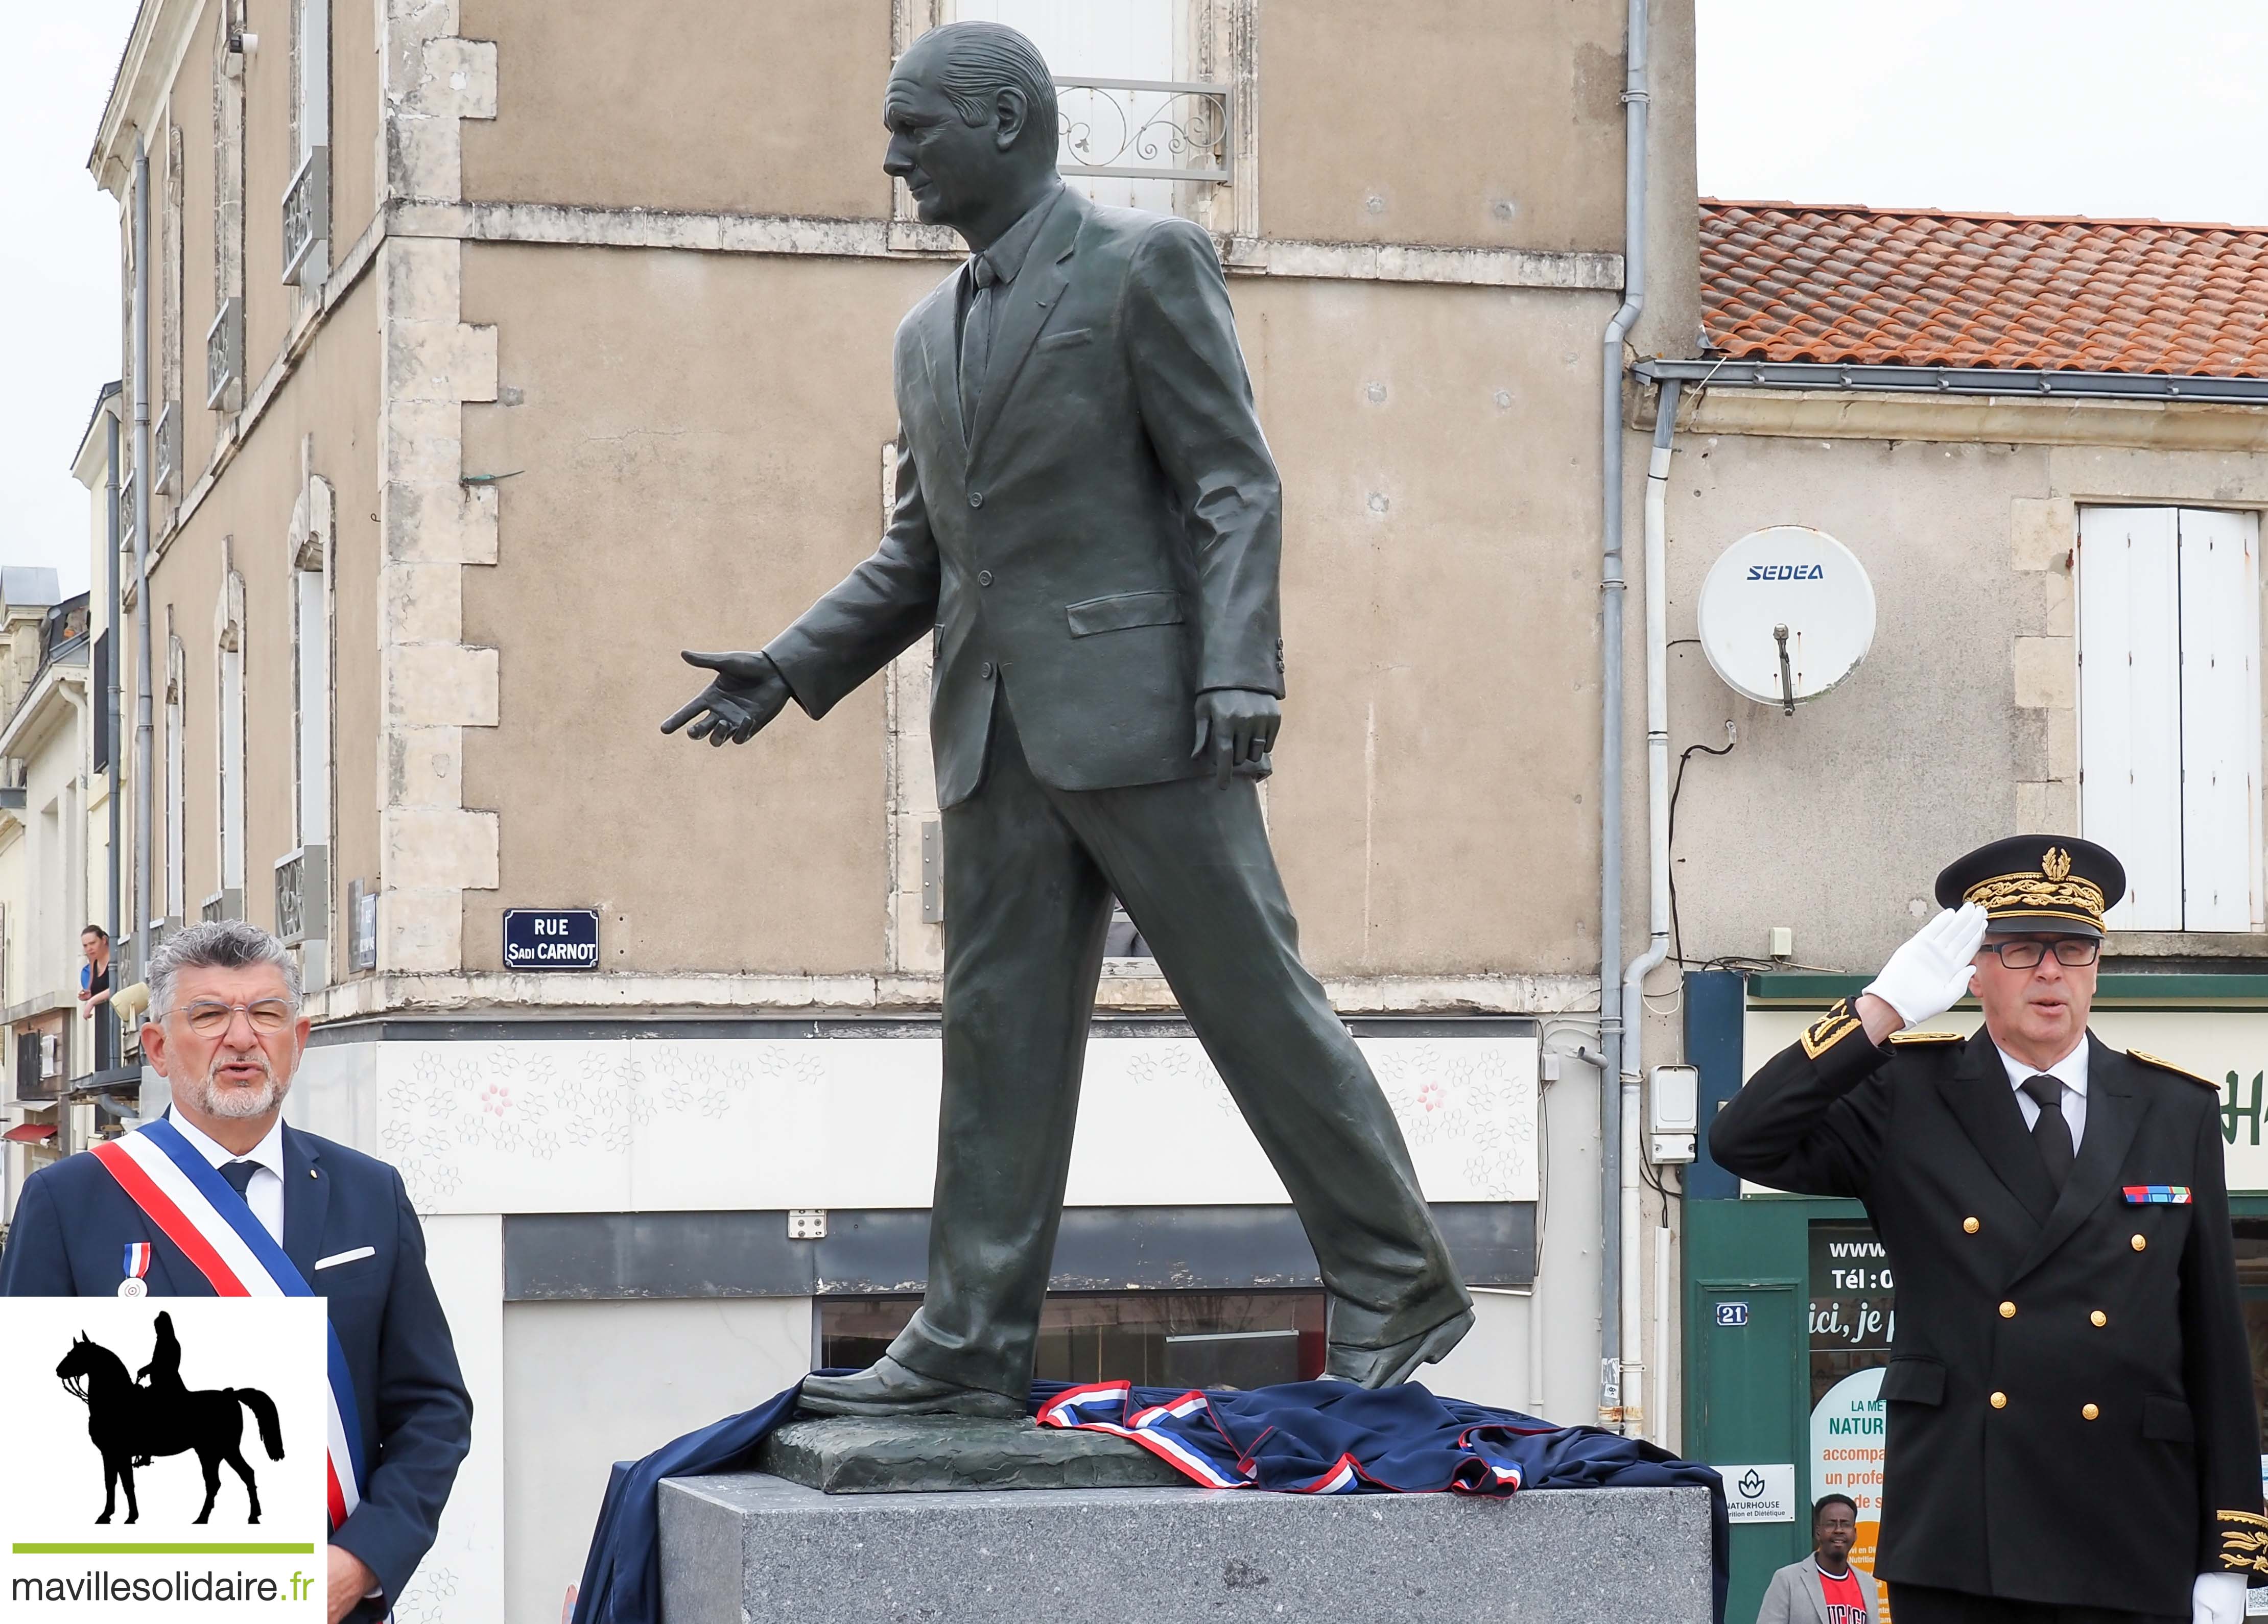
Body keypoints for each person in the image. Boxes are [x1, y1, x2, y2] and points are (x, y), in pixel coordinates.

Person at [660, 20, 1471, 1415]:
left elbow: (1233, 483)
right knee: (999, 1033)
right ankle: (971, 1335)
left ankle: (1398, 1278)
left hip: (1154, 710)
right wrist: (793, 665)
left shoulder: (1144, 265)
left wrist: (1240, 669)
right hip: (994, 729)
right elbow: (923, 552)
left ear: (1011, 124)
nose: (892, 154)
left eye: (916, 127)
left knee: (1249, 999)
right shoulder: (925, 334)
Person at [1711, 837, 2261, 1624]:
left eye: (2073, 949)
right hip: (1966, 1536)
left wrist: (2227, 1555)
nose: (2051, 972)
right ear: (1972, 969)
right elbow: (1742, 1141)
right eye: (2022, 950)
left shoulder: (2174, 1108)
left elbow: (2214, 1339)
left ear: (2097, 967)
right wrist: (1881, 1010)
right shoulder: (1907, 1093)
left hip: (2137, 1529)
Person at [0, 921, 471, 1624]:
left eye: (267, 1014)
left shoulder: (371, 1193)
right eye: (211, 1014)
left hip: (329, 1607)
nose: (243, 1038)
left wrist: (362, 1561)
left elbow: (432, 1409)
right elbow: (23, 1427)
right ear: (157, 1047)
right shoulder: (69, 1200)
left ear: (299, 1040)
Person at [1757, 1496, 1879, 1624]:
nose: (1839, 1530)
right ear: (1818, 1532)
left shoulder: (1867, 1584)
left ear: (1854, 1534)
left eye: (1846, 1524)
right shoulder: (1788, 1580)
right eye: (1831, 1524)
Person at [79, 924, 113, 1068]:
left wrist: (92, 1001)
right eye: (85, 946)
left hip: (116, 1020)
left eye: (93, 943)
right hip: (103, 1021)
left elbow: (119, 987)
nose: (89, 949)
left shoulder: (116, 959)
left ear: (104, 940)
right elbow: (101, 988)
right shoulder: (93, 965)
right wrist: (89, 994)